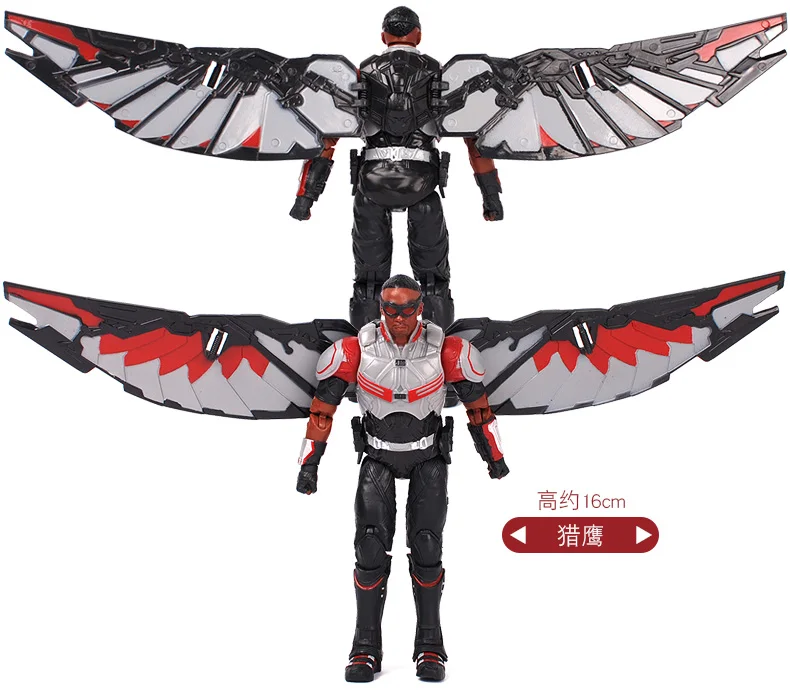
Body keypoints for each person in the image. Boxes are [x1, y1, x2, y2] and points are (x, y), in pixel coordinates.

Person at [295, 274, 509, 682]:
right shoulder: (354, 349)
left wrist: (494, 457)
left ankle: (430, 646)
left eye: (407, 309)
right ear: (380, 308)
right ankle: (365, 647)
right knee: (369, 549)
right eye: (391, 309)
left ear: (420, 309)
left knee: (427, 547)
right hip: (377, 456)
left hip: (428, 456)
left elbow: (479, 409)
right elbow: (321, 411)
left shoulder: (447, 349)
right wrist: (309, 464)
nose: (398, 317)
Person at [290, 7, 504, 330]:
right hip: (421, 182)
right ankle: (438, 342)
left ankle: (364, 342)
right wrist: (491, 198)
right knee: (433, 280)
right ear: (418, 35)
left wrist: (305, 199)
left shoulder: (359, 77)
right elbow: (474, 140)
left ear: (383, 37)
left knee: (368, 280)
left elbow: (326, 140)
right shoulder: (442, 77)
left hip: (372, 183)